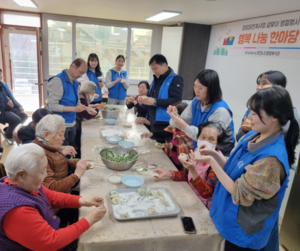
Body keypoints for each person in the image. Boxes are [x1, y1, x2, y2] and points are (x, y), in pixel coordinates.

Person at [193, 86, 299, 251]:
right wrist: (214, 155)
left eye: (255, 114)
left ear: (275, 117)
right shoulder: (252, 135)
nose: (249, 117)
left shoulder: (271, 160)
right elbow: (234, 167)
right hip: (226, 216)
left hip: (242, 231)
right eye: (250, 111)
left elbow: (238, 192)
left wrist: (212, 163)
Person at [0, 143, 107, 250]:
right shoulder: (17, 212)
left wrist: (84, 200)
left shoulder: (21, 182)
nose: (45, 175)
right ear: (21, 175)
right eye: (42, 171)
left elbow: (51, 197)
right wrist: (90, 219)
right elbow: (52, 242)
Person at [154, 121, 226, 209]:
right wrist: (169, 173)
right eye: (203, 137)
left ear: (218, 144)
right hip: (192, 196)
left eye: (211, 139)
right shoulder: (197, 152)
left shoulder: (216, 164)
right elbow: (186, 174)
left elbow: (207, 193)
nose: (205, 142)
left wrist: (193, 170)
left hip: (205, 207)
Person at [167, 69, 235, 156]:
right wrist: (175, 116)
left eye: (200, 88)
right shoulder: (196, 101)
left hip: (218, 156)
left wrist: (183, 125)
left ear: (211, 89)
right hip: (200, 151)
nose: (196, 91)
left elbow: (207, 139)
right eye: (195, 86)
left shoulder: (220, 111)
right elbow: (179, 123)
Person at [236, 70, 300, 142]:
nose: (258, 87)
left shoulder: (289, 111)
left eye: (264, 83)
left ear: (278, 87)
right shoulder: (251, 109)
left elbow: (292, 138)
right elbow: (238, 138)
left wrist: (256, 130)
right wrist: (245, 130)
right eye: (258, 84)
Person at [33, 114, 89, 194]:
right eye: (60, 134)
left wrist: (78, 164)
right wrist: (76, 175)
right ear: (46, 135)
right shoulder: (39, 156)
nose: (63, 138)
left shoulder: (49, 145)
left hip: (65, 190)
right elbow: (51, 188)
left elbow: (61, 164)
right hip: (56, 201)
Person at [138, 54, 184, 140]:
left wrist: (155, 101)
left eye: (156, 68)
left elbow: (177, 101)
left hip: (166, 122)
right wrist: (144, 98)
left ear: (164, 65)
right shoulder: (156, 79)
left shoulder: (175, 78)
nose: (154, 71)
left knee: (163, 149)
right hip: (154, 120)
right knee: (155, 146)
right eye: (152, 69)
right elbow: (152, 96)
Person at [47, 58, 90, 146]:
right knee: (62, 153)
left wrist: (85, 108)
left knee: (70, 149)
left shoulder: (74, 81)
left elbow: (77, 101)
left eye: (83, 73)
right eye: (80, 72)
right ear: (73, 66)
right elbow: (53, 106)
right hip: (60, 126)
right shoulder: (57, 80)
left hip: (72, 123)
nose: (81, 76)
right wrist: (75, 108)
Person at [141, 102, 193, 170]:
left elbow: (187, 151)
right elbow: (163, 133)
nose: (171, 120)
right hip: (172, 159)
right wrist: (151, 134)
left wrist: (170, 146)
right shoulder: (173, 127)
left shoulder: (189, 132)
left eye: (173, 117)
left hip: (182, 165)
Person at [75, 81, 106, 158]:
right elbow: (87, 115)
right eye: (93, 91)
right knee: (78, 142)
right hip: (76, 124)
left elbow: (86, 108)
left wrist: (94, 106)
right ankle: (79, 157)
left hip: (77, 122)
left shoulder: (81, 94)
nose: (94, 93)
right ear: (87, 91)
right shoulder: (82, 98)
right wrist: (98, 108)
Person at [0, 68, 28, 143]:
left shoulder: (3, 84)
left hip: (11, 108)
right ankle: (8, 134)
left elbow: (12, 98)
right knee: (17, 120)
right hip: (2, 111)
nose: (0, 76)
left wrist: (19, 106)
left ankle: (9, 129)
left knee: (24, 116)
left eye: (0, 74)